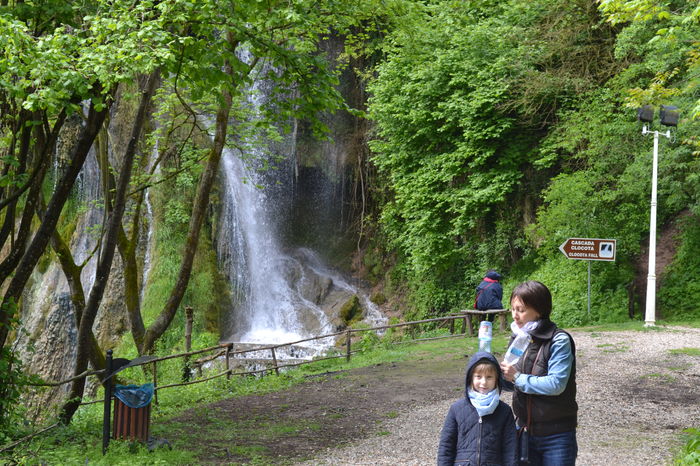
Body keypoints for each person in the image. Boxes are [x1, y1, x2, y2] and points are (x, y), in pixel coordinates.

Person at [500, 281, 578, 466]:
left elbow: (556, 384)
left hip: (557, 434)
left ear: (539, 310)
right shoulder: (519, 337)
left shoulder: (559, 340)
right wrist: (496, 375)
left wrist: (517, 376)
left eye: (521, 310)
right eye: (513, 309)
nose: (515, 316)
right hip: (524, 431)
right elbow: (512, 384)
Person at [438, 351, 517, 466]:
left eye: (489, 377)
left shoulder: (504, 411)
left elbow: (511, 449)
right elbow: (446, 446)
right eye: (478, 377)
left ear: (497, 380)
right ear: (471, 378)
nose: (483, 382)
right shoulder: (456, 409)